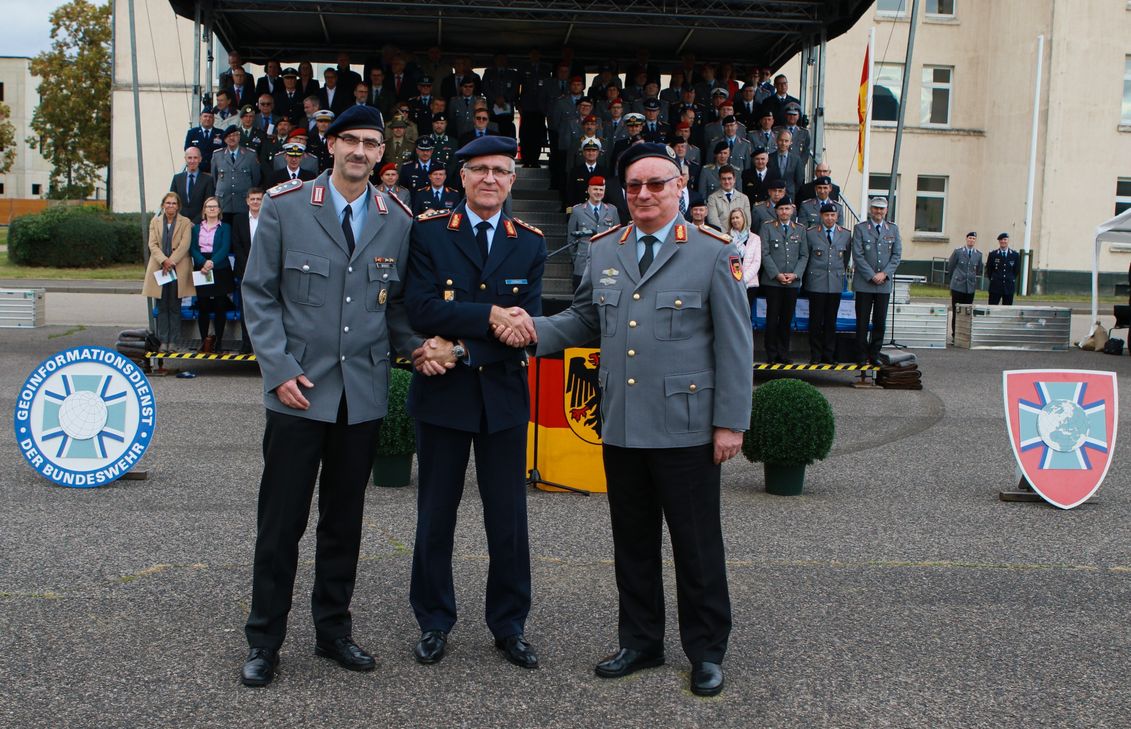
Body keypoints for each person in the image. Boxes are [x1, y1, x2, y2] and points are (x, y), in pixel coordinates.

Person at [507, 143, 752, 698]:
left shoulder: (714, 252)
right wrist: (533, 331)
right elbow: (588, 316)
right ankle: (641, 640)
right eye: (634, 186)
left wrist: (730, 423)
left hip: (688, 426)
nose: (644, 194)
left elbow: (737, 345)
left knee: (696, 545)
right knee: (633, 542)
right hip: (621, 424)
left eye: (656, 184)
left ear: (679, 185)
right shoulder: (604, 249)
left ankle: (707, 650)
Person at [238, 104, 419, 688]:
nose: (361, 152)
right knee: (281, 522)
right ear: (331, 144)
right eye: (351, 141)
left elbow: (399, 306)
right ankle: (265, 639)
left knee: (344, 523)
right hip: (297, 392)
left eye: (372, 143)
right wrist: (278, 368)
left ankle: (333, 630)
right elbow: (259, 294)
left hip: (360, 396)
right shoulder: (288, 208)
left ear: (380, 153)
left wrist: (425, 348)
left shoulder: (397, 218)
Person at [403, 135, 546, 671]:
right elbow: (418, 306)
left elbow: (526, 326)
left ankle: (509, 625)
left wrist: (459, 342)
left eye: (501, 171)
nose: (490, 179)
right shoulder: (431, 232)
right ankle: (434, 621)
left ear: (512, 180)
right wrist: (488, 316)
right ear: (461, 177)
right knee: (435, 515)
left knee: (506, 519)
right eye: (480, 170)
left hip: (502, 399)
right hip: (442, 396)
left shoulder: (528, 243)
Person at [142, 192, 196, 352]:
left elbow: (185, 245)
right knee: (162, 306)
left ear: (178, 206)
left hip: (177, 268)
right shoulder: (155, 221)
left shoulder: (185, 222)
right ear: (163, 205)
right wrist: (163, 261)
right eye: (168, 203)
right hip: (160, 268)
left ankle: (174, 342)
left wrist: (171, 261)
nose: (170, 206)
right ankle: (163, 340)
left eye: (173, 203)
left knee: (174, 306)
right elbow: (152, 244)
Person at [851, 197, 902, 365]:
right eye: (875, 209)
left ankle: (874, 354)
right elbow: (857, 255)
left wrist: (884, 274)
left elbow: (896, 255)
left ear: (886, 211)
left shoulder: (893, 229)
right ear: (870, 210)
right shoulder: (860, 228)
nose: (878, 212)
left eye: (881, 209)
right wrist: (872, 275)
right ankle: (860, 355)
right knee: (862, 322)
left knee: (880, 322)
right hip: (865, 283)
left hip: (883, 284)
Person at [759, 195, 807, 363]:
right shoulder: (767, 228)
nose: (784, 211)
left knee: (786, 319)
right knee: (772, 318)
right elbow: (764, 252)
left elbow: (804, 255)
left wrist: (795, 274)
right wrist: (777, 274)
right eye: (781, 209)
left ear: (792, 210)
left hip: (792, 282)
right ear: (776, 211)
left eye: (787, 208)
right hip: (773, 281)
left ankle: (784, 353)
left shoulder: (800, 229)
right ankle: (771, 354)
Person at [803, 203, 851, 364]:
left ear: (837, 216)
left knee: (831, 321)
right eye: (826, 215)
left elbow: (845, 258)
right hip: (816, 282)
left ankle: (828, 355)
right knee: (815, 321)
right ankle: (815, 355)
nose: (830, 218)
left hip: (835, 283)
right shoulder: (810, 233)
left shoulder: (845, 234)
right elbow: (806, 256)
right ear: (821, 216)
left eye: (832, 215)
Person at [189, 196, 235, 353]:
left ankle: (220, 342)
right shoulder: (196, 228)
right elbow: (193, 248)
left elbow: (225, 247)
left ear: (219, 210)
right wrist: (203, 262)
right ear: (204, 210)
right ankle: (204, 341)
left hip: (220, 267)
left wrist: (212, 263)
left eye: (215, 206)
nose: (212, 209)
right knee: (203, 306)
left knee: (220, 305)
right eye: (209, 206)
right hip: (201, 267)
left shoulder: (225, 227)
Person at [567, 175, 621, 290]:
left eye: (601, 190)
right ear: (588, 190)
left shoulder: (612, 210)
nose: (598, 192)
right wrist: (576, 258)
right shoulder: (577, 210)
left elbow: (617, 237)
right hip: (582, 264)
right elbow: (571, 239)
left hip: (606, 263)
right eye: (595, 189)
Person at [229, 187, 264, 355]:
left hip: (265, 271)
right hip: (244, 271)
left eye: (259, 199)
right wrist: (249, 265)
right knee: (245, 309)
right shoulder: (239, 220)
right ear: (247, 201)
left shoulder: (270, 218)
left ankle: (262, 345)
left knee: (263, 310)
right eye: (253, 199)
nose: (256, 202)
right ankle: (246, 343)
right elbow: (237, 246)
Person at [212, 125, 262, 225]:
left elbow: (256, 178)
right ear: (224, 139)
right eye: (228, 136)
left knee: (241, 233)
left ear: (239, 137)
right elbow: (214, 178)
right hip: (224, 203)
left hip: (243, 203)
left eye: (235, 135)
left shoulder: (250, 155)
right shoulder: (217, 155)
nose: (232, 138)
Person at [947, 232, 983, 337]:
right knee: (956, 310)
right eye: (970, 238)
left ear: (975, 240)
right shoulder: (958, 252)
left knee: (967, 311)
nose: (971, 240)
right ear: (966, 239)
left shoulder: (978, 254)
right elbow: (951, 266)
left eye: (973, 238)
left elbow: (979, 269)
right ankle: (955, 334)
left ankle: (964, 334)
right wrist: (954, 280)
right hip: (958, 286)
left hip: (970, 287)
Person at [724, 207, 761, 310]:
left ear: (744, 218)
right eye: (732, 218)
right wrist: (735, 280)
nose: (735, 220)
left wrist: (743, 280)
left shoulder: (755, 238)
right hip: (730, 283)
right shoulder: (725, 238)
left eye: (737, 217)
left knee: (745, 315)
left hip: (749, 283)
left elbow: (756, 262)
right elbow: (724, 261)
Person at [170, 147, 215, 223]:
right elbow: (172, 202)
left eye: (195, 158)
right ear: (185, 159)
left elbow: (208, 204)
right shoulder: (177, 179)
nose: (192, 161)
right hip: (180, 223)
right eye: (189, 158)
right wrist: (183, 221)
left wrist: (194, 223)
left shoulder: (208, 180)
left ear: (200, 159)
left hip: (200, 225)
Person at [986, 232, 1019, 305]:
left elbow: (1016, 270)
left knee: (1007, 310)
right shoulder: (993, 254)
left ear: (1008, 241)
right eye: (1001, 240)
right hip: (995, 287)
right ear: (999, 241)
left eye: (1005, 239)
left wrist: (1010, 278)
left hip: (1008, 287)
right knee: (992, 308)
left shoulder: (1015, 255)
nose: (1003, 241)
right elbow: (989, 270)